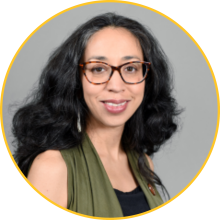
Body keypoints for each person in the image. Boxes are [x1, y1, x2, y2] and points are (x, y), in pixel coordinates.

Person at [12, 12, 181, 217]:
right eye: (98, 69)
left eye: (130, 68)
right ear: (75, 80)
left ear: (148, 79)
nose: (116, 86)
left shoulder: (143, 162)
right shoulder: (53, 167)